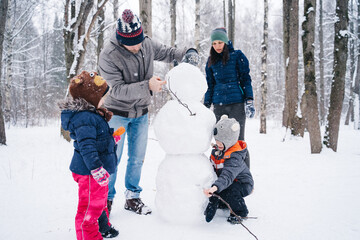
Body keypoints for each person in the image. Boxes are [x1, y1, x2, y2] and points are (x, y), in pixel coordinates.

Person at [98, 9, 199, 215]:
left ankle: (132, 197)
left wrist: (188, 52)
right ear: (120, 38)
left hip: (141, 114)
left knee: (137, 158)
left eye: (139, 41)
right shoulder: (108, 54)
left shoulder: (145, 43)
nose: (137, 46)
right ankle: (105, 200)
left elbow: (169, 53)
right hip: (116, 114)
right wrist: (148, 86)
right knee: (111, 158)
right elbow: (115, 89)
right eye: (132, 43)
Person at [59, 71, 121, 239]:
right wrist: (96, 168)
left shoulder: (92, 115)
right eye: (102, 97)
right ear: (91, 98)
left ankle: (102, 226)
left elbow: (95, 141)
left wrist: (111, 141)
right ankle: (89, 236)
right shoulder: (85, 118)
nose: (104, 101)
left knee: (99, 201)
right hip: (90, 172)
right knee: (88, 209)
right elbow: (86, 146)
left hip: (97, 170)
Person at [204, 27, 255, 168]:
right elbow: (210, 85)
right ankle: (225, 175)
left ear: (226, 42)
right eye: (214, 43)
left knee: (238, 141)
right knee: (221, 142)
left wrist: (249, 100)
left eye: (220, 42)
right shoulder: (210, 61)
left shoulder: (238, 56)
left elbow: (246, 80)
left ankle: (245, 176)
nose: (217, 46)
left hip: (236, 105)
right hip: (219, 106)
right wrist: (205, 106)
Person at [203, 115, 254, 224]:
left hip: (242, 183)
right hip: (227, 182)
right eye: (217, 140)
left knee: (230, 191)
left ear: (231, 140)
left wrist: (216, 187)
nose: (218, 143)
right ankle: (224, 203)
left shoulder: (235, 156)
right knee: (222, 189)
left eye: (222, 141)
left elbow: (228, 175)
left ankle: (240, 212)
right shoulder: (217, 151)